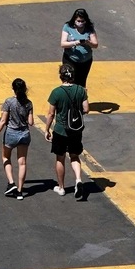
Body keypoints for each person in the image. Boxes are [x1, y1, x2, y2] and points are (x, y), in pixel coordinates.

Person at [42, 63, 89, 199]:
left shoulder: (56, 92)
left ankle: (61, 187)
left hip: (61, 130)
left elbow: (51, 114)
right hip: (76, 130)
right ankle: (78, 180)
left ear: (61, 76)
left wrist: (47, 129)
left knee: (60, 158)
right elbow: (86, 109)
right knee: (74, 156)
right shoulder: (81, 90)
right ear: (73, 76)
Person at [0, 78, 32, 198]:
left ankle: (11, 182)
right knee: (22, 162)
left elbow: (3, 121)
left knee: (5, 157)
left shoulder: (8, 102)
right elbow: (31, 122)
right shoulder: (29, 103)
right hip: (24, 134)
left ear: (13, 89)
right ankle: (19, 191)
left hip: (11, 133)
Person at [60, 8, 98, 87]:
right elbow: (63, 44)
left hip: (85, 61)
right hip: (70, 59)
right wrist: (75, 43)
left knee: (81, 82)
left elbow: (95, 45)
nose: (80, 23)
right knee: (69, 81)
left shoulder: (89, 28)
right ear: (74, 20)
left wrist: (87, 42)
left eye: (82, 21)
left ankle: (80, 98)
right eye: (78, 21)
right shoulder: (67, 27)